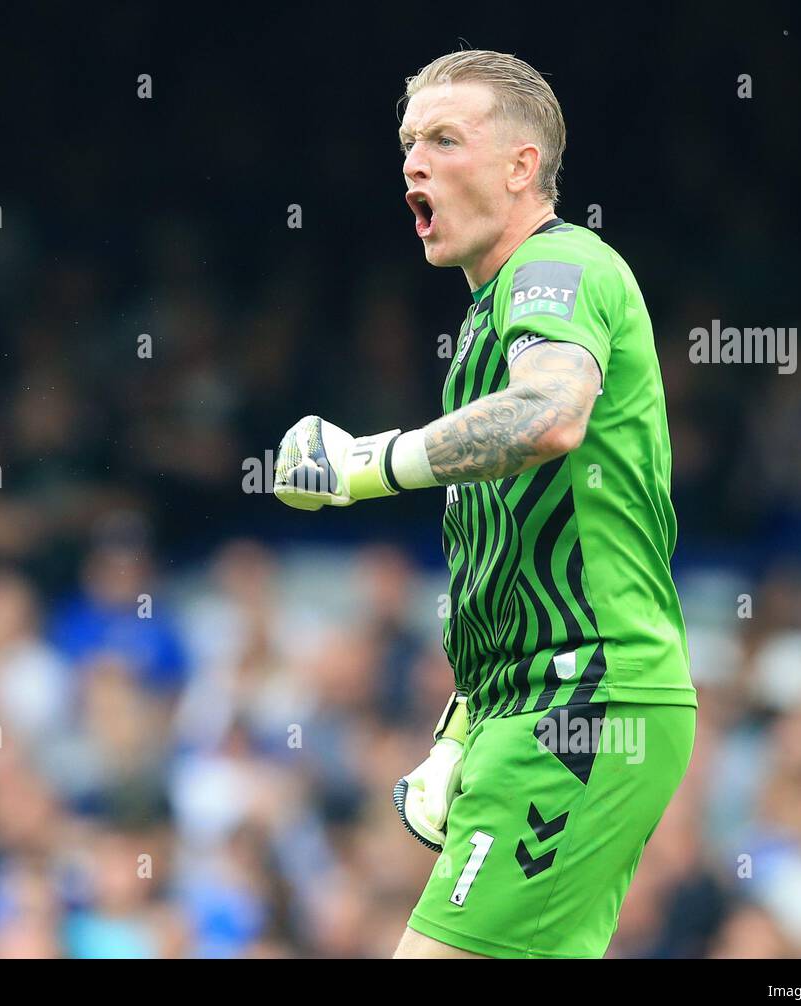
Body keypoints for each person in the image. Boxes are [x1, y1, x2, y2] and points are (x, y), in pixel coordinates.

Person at [272, 49, 697, 958]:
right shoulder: (484, 317)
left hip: (587, 698)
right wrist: (467, 723)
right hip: (535, 703)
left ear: (521, 167)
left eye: (444, 139)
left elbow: (549, 415)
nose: (412, 162)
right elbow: (515, 556)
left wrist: (365, 464)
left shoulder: (564, 264)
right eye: (407, 144)